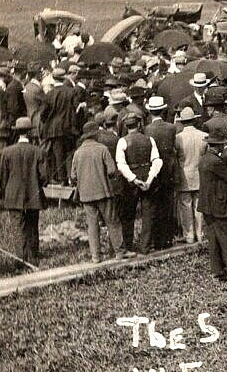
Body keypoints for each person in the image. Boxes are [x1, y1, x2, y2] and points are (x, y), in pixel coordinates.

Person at [70, 122, 126, 262]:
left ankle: (96, 256)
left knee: (92, 225)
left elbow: (73, 176)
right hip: (104, 192)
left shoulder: (77, 153)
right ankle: (119, 252)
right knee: (112, 221)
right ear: (95, 134)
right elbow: (112, 170)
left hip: (86, 195)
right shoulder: (102, 149)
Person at [0, 117, 46, 264]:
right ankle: (33, 255)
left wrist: (6, 190)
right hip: (33, 194)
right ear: (30, 133)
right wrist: (37, 185)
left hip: (13, 194)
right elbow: (44, 176)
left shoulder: (7, 152)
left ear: (17, 133)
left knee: (18, 227)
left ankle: (21, 258)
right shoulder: (38, 151)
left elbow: (2, 177)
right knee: (32, 225)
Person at [115, 111, 163, 254]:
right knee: (148, 214)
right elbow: (157, 161)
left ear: (126, 126)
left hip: (130, 183)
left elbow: (121, 165)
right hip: (148, 179)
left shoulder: (122, 141)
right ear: (139, 124)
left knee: (129, 215)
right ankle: (145, 246)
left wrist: (134, 180)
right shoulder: (149, 140)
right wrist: (149, 179)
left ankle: (128, 246)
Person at [197, 134, 227, 282]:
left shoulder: (204, 159)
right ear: (219, 146)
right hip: (220, 205)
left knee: (214, 239)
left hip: (207, 204)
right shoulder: (216, 162)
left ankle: (217, 271)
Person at [144, 95, 178, 250]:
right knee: (168, 205)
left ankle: (157, 240)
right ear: (163, 110)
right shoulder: (171, 128)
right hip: (169, 170)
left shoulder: (147, 130)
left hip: (154, 171)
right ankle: (167, 238)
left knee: (155, 206)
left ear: (151, 112)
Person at [173, 107, 207, 244]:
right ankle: (200, 234)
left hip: (184, 176)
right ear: (194, 120)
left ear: (182, 122)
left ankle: (189, 235)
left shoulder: (178, 138)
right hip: (199, 174)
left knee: (185, 206)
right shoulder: (203, 136)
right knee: (199, 206)